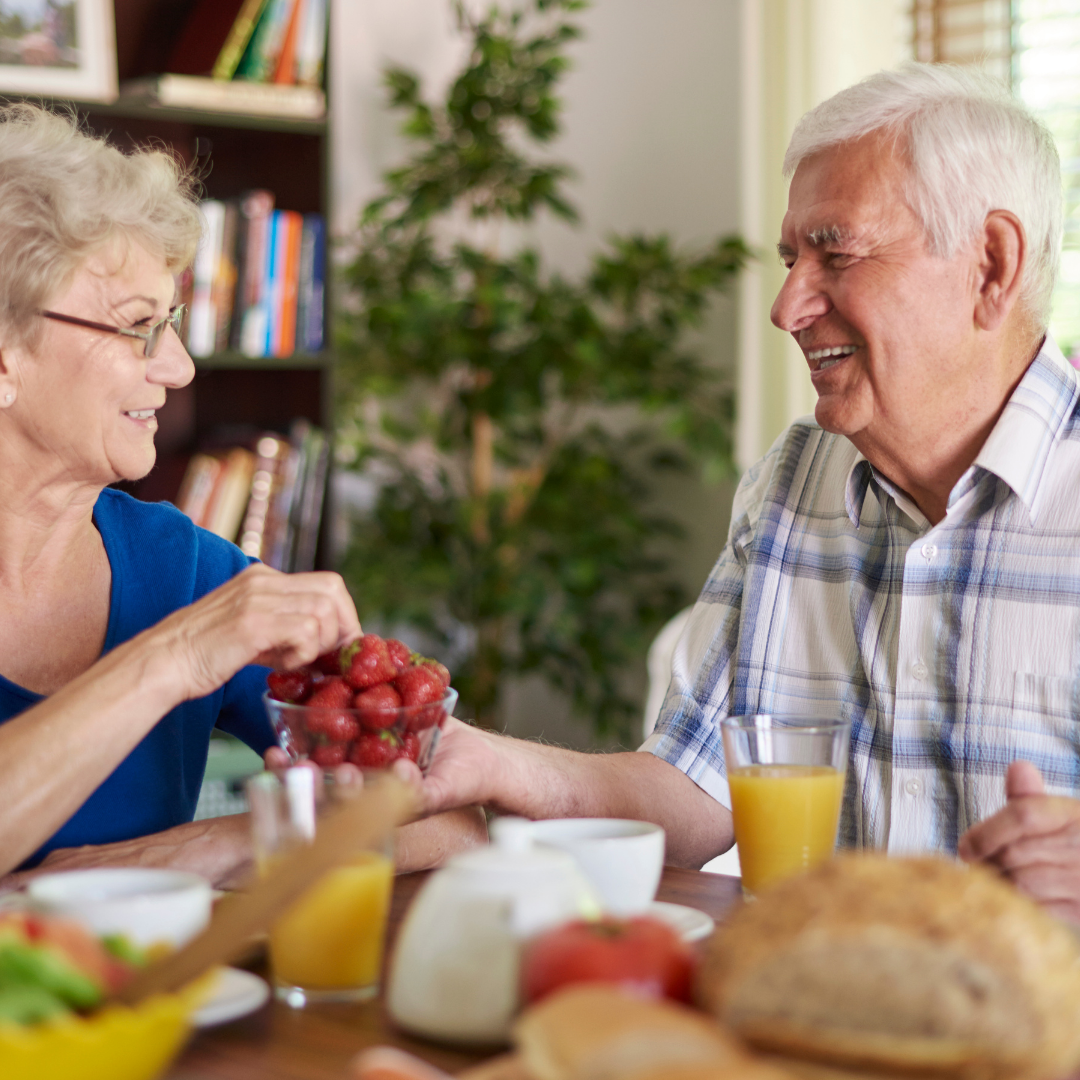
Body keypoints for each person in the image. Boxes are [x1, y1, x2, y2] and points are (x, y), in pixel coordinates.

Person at [400, 63, 1080, 924]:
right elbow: (690, 786)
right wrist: (487, 762)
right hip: (809, 1015)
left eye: (836, 252)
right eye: (792, 258)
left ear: (992, 263)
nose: (787, 304)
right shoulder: (795, 480)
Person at [0, 103, 484, 887]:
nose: (181, 367)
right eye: (138, 327)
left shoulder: (185, 569)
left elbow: (450, 821)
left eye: (175, 321)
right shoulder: (195, 619)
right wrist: (175, 657)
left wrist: (222, 844)